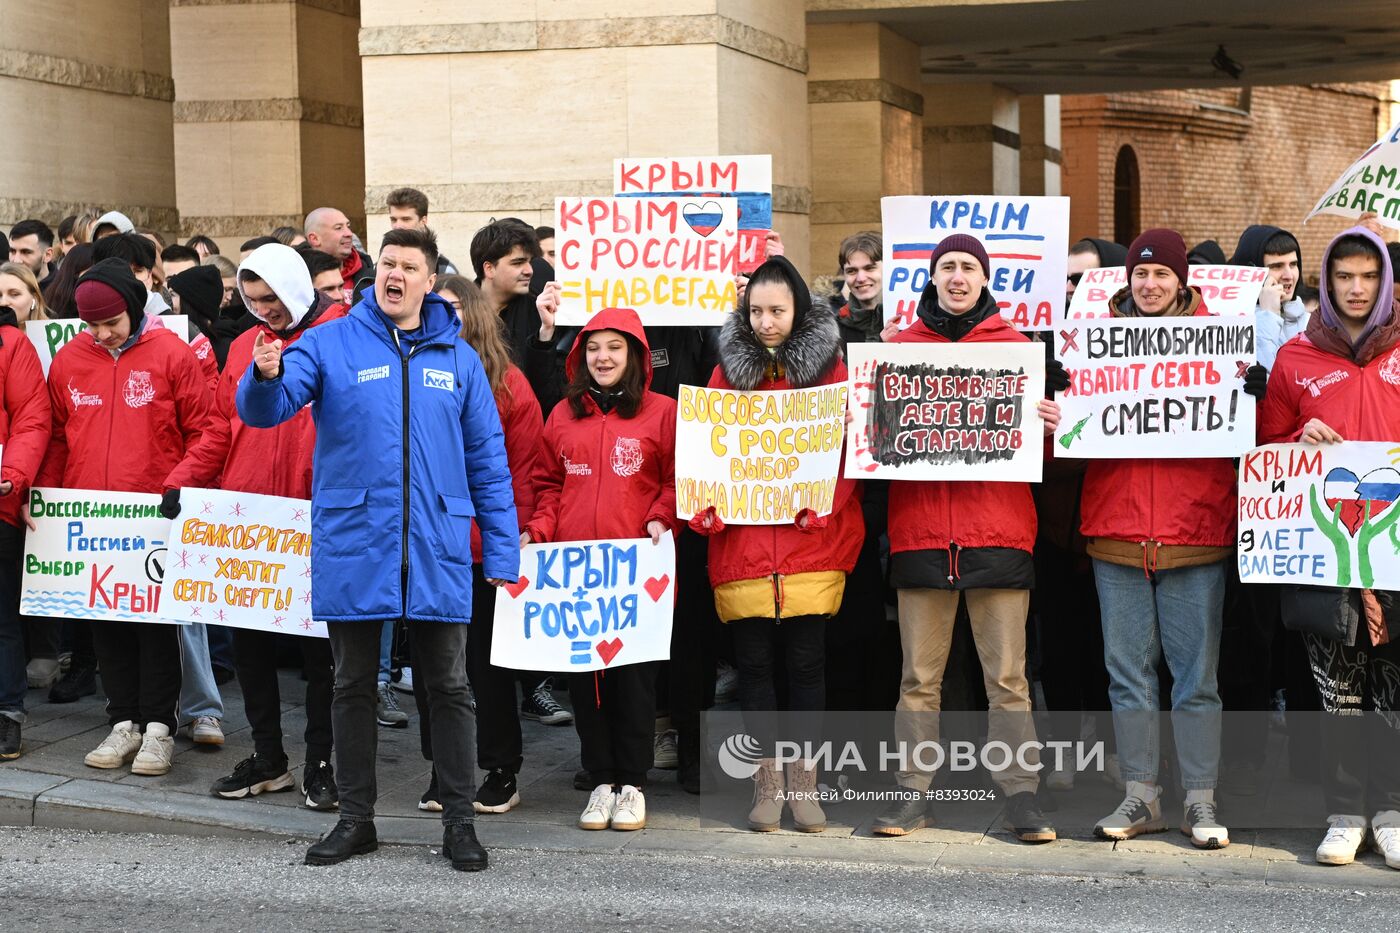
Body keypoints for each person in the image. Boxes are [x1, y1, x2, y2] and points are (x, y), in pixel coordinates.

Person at [237, 226, 518, 872]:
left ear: (428, 280)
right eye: (386, 262)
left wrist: (502, 551)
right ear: (377, 275)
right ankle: (355, 818)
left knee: (449, 685)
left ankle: (458, 822)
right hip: (356, 541)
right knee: (353, 682)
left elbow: (489, 461)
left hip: (437, 545)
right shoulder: (329, 342)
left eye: (408, 265)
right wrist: (263, 373)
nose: (394, 273)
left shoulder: (458, 357)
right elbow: (268, 407)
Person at [869, 234, 1062, 843]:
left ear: (985, 278)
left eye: (969, 268)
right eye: (947, 266)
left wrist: (1054, 426)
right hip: (921, 536)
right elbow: (873, 447)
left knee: (1007, 678)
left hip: (998, 534)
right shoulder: (896, 352)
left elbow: (1045, 458)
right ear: (932, 277)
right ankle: (912, 795)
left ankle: (1021, 797)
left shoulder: (1019, 351)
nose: (958, 276)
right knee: (917, 679)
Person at [1080, 229, 1265, 850]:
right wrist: (1056, 409)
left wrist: (1254, 397)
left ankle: (1200, 800)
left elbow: (1255, 435)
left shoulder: (1221, 347)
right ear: (1127, 281)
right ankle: (1141, 796)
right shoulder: (1091, 349)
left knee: (1196, 679)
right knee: (1127, 674)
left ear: (1182, 282)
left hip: (1194, 534)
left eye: (1162, 275)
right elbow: (1068, 444)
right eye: (1140, 275)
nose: (1151, 285)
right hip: (1117, 534)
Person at [164, 243, 346, 808]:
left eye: (271, 297)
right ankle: (270, 756)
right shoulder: (244, 345)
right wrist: (184, 478)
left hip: (317, 515)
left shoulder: (342, 334)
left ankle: (321, 762)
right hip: (250, 519)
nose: (263, 308)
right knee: (251, 650)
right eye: (252, 298)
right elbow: (221, 427)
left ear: (296, 288)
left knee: (322, 658)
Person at [686, 256, 861, 834]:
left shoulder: (831, 371)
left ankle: (804, 786)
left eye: (777, 310)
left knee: (808, 664)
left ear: (798, 311)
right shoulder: (724, 374)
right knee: (754, 665)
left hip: (811, 542)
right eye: (756, 310)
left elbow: (847, 449)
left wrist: (828, 500)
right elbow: (708, 453)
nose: (765, 321)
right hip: (744, 547)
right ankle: (767, 786)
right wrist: (705, 507)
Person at [1258, 225, 1400, 871]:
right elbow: (1263, 449)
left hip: (1396, 548)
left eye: (1368, 275)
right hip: (1324, 548)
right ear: (1326, 279)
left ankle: (1392, 811)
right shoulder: (1295, 358)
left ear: (1385, 281)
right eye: (1343, 275)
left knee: (1392, 690)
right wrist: (1295, 433)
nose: (1355, 287)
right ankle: (1344, 812)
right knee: (1337, 688)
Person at [39, 258, 213, 777]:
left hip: (154, 515)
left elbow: (207, 430)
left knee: (156, 626)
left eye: (111, 323)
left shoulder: (171, 355)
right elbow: (54, 437)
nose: (102, 334)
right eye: (91, 325)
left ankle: (160, 727)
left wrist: (181, 480)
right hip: (94, 519)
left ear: (133, 309)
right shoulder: (69, 360)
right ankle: (123, 722)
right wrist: (48, 495)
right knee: (106, 623)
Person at [523, 306, 675, 833]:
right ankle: (601, 779)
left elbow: (676, 482)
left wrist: (659, 518)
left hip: (635, 574)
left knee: (633, 681)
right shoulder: (563, 416)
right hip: (577, 577)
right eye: (592, 348)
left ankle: (632, 783)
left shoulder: (663, 412)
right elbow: (547, 484)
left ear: (634, 355)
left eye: (614, 347)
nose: (603, 357)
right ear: (579, 356)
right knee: (586, 684)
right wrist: (539, 530)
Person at [411, 275, 543, 815]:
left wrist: (510, 541)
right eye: (431, 309)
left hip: (481, 546)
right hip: (425, 546)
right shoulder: (410, 374)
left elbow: (526, 471)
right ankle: (443, 766)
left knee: (487, 667)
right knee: (430, 668)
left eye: (451, 309)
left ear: (474, 316)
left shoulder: (509, 384)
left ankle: (499, 767)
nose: (441, 318)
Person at [0, 269, 53, 760]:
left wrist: (13, 478)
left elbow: (32, 419)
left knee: (2, 617)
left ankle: (6, 715)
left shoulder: (10, 344)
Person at [472, 219, 564, 415]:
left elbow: (549, 397)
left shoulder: (540, 313)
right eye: (518, 263)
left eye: (529, 261)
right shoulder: (457, 312)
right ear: (489, 268)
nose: (529, 270)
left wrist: (544, 338)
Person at [1230, 225, 1306, 370]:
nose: (1289, 276)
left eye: (1294, 264)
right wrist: (1268, 316)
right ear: (1252, 271)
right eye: (1277, 266)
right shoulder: (1233, 327)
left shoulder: (1311, 323)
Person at [832, 230, 899, 344]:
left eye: (869, 268)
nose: (861, 278)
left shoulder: (913, 321)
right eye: (851, 271)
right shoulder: (832, 329)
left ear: (889, 268)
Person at [386, 188, 459, 276]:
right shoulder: (381, 266)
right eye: (393, 219)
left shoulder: (444, 270)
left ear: (423, 221)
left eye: (406, 219)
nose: (398, 226)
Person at [304, 207, 371, 301]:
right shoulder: (300, 276)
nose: (349, 233)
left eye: (348, 226)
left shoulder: (368, 275)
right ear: (314, 239)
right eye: (339, 228)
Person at [1066, 238, 1127, 308]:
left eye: (1078, 279)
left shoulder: (1137, 317)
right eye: (1066, 279)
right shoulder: (1056, 316)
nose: (1068, 289)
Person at [9, 220, 55, 290]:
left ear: (47, 255)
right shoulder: (3, 286)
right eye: (12, 251)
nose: (16, 260)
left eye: (26, 252)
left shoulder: (65, 294)